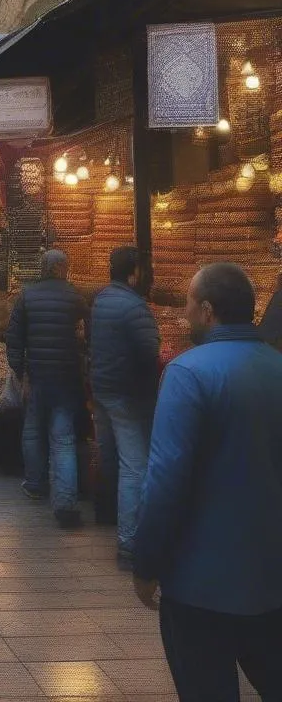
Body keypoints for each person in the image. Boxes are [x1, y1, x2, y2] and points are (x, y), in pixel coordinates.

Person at [133, 263, 282, 701]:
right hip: (271, 576)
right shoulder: (277, 367)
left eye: (188, 305)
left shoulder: (188, 374)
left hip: (201, 583)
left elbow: (165, 480)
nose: (183, 313)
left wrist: (146, 564)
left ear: (208, 311)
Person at [89, 246, 160, 570]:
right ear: (135, 272)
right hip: (127, 394)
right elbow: (149, 352)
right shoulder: (134, 307)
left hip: (103, 387)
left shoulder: (102, 300)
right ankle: (130, 543)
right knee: (135, 465)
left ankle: (109, 514)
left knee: (112, 457)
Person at [6, 249, 88, 529]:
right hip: (66, 376)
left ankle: (35, 483)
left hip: (37, 375)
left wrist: (20, 371)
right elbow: (86, 335)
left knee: (33, 430)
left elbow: (13, 338)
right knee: (62, 438)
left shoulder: (27, 296)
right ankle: (65, 500)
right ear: (61, 268)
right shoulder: (75, 297)